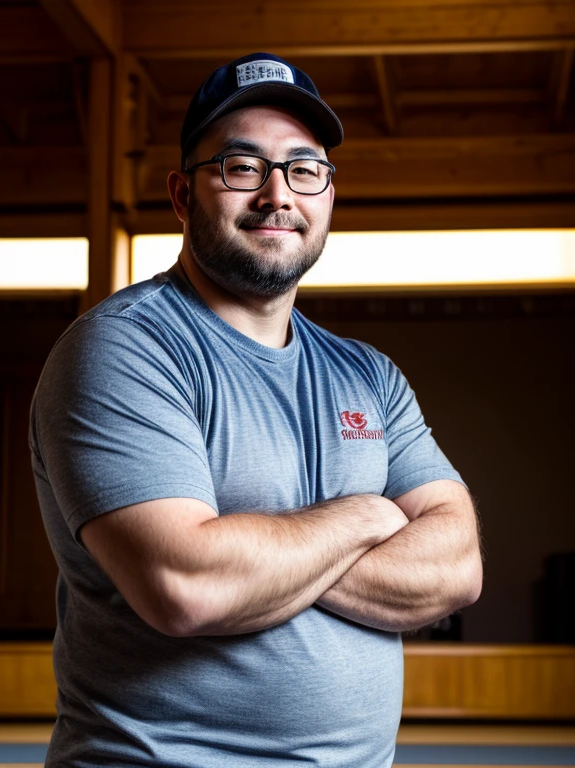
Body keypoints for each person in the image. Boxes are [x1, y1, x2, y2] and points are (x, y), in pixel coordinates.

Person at [30, 52, 483, 768]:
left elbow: (456, 568)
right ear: (183, 195)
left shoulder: (368, 375)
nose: (278, 194)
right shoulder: (123, 352)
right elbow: (185, 585)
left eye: (304, 170)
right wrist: (369, 516)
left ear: (327, 194)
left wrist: (257, 558)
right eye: (242, 167)